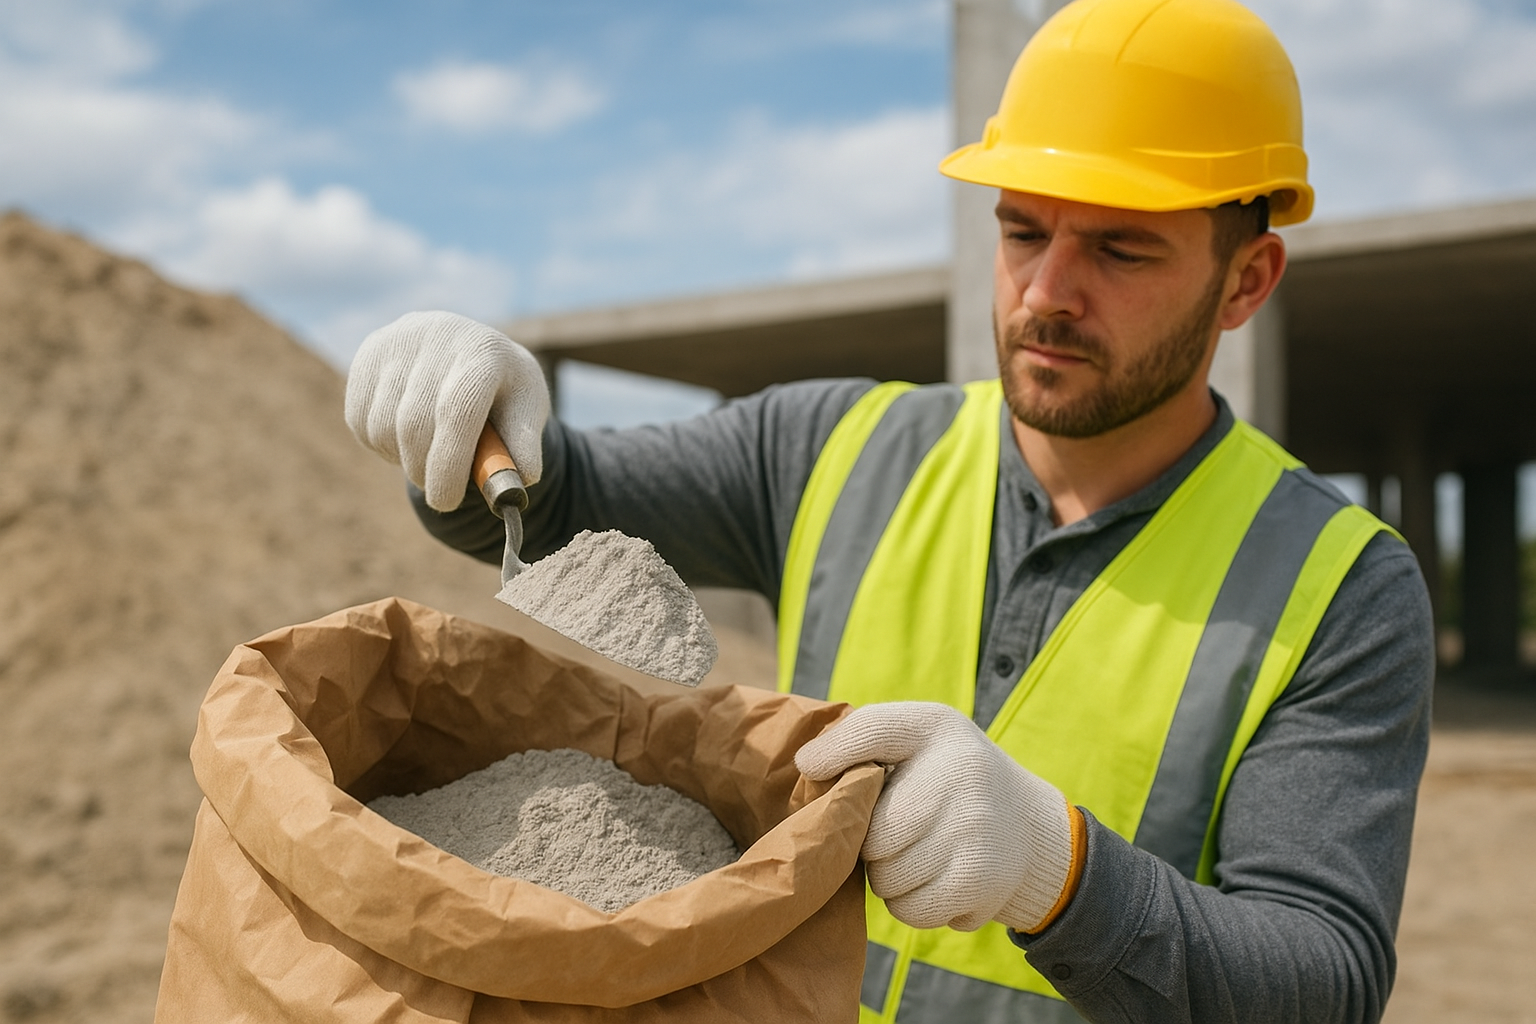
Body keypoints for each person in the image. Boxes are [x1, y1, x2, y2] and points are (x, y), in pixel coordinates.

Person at [344, 0, 1434, 1020]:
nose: (1047, 291)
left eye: (1119, 247)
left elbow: (1322, 979)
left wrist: (1058, 874)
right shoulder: (835, 448)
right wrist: (469, 398)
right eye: (1021, 231)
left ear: (1247, 279)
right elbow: (535, 508)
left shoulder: (1340, 586)